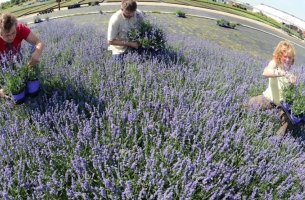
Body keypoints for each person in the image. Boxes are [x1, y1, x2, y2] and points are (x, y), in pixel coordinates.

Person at [248, 41, 297, 136]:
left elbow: (289, 93)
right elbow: (265, 72)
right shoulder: (275, 63)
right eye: (285, 56)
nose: (287, 60)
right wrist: (281, 73)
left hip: (282, 106)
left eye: (290, 57)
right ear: (279, 55)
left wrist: (293, 83)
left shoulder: (291, 70)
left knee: (286, 127)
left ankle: (275, 143)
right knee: (249, 104)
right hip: (268, 99)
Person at [0, 13, 44, 99]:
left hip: (16, 61)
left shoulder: (20, 28)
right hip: (2, 69)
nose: (11, 37)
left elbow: (39, 42)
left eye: (13, 33)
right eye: (6, 35)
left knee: (27, 87)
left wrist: (36, 54)